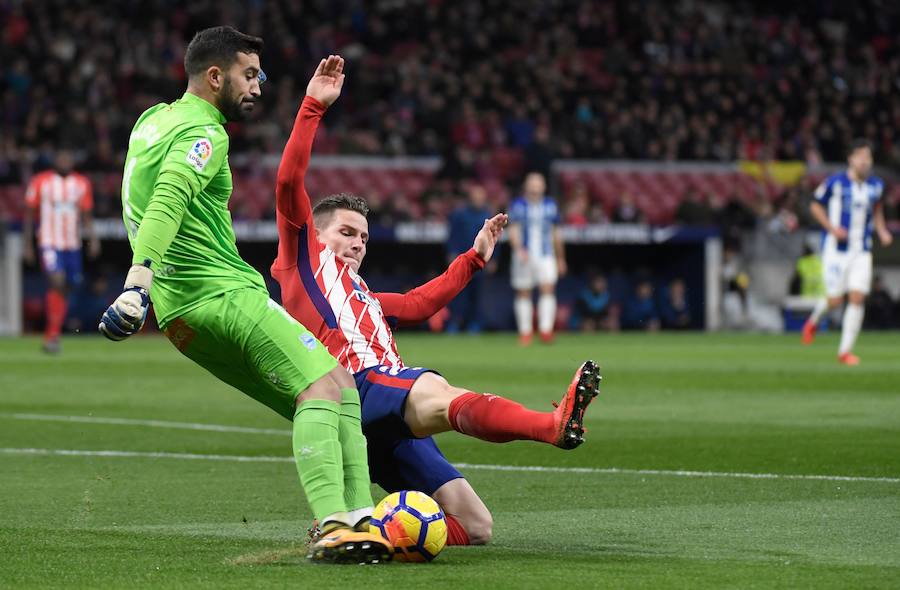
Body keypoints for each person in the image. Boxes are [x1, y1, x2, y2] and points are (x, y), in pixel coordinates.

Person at [270, 56, 601, 547]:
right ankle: (550, 426)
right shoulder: (302, 260)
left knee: (477, 526)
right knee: (441, 394)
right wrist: (313, 106)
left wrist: (474, 257)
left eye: (364, 236)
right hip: (356, 387)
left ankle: (381, 532)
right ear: (316, 232)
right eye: (347, 232)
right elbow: (288, 182)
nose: (359, 243)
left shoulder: (365, 296)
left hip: (380, 424)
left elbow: (421, 303)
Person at [97, 35, 390, 565]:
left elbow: (136, 202)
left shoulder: (151, 122)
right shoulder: (205, 131)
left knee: (340, 386)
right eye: (249, 74)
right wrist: (137, 279)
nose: (257, 85)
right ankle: (334, 523)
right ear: (215, 76)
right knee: (323, 386)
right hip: (221, 292)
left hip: (181, 313)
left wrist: (152, 289)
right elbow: (168, 198)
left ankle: (362, 519)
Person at [801, 139, 893, 365]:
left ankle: (844, 351)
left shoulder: (876, 185)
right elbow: (814, 204)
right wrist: (831, 228)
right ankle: (813, 321)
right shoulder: (835, 183)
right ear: (851, 159)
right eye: (860, 157)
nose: (864, 162)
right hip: (836, 250)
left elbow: (878, 208)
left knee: (857, 297)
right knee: (834, 300)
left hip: (861, 249)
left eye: (868, 157)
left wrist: (881, 230)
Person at [23, 148, 100, 353]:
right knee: (57, 282)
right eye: (61, 158)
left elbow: (86, 215)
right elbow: (29, 214)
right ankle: (52, 336)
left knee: (68, 286)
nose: (65, 162)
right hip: (49, 241)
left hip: (72, 244)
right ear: (55, 161)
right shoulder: (41, 181)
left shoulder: (81, 183)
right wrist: (27, 244)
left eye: (68, 159)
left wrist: (93, 238)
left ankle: (53, 333)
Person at [508, 172, 566, 345]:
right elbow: (513, 229)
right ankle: (525, 332)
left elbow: (556, 233)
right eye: (532, 183)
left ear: (544, 187)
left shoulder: (550, 205)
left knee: (547, 288)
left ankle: (545, 330)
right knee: (523, 291)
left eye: (538, 183)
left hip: (546, 254)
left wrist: (561, 257)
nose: (535, 187)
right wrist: (519, 249)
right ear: (526, 186)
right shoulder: (518, 205)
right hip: (524, 254)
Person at [446, 183, 493, 333]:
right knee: (457, 293)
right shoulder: (459, 214)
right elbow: (453, 236)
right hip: (461, 259)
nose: (478, 199)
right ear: (470, 197)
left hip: (480, 260)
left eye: (481, 196)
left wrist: (494, 258)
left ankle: (474, 324)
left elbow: (493, 238)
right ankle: (454, 323)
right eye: (476, 195)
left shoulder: (488, 215)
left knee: (477, 295)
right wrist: (451, 253)